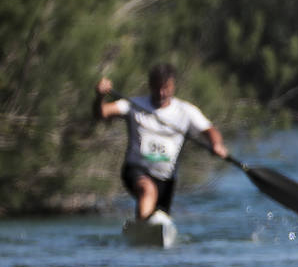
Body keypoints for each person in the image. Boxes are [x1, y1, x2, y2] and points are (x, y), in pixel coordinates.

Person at [93, 64, 228, 219]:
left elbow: (210, 131)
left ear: (173, 86)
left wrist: (216, 144)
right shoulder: (134, 105)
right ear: (150, 85)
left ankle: (145, 229)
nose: (161, 93)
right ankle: (144, 227)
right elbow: (102, 113)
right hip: (136, 170)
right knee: (147, 190)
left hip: (166, 180)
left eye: (166, 88)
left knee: (159, 215)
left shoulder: (186, 111)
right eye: (157, 88)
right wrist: (100, 97)